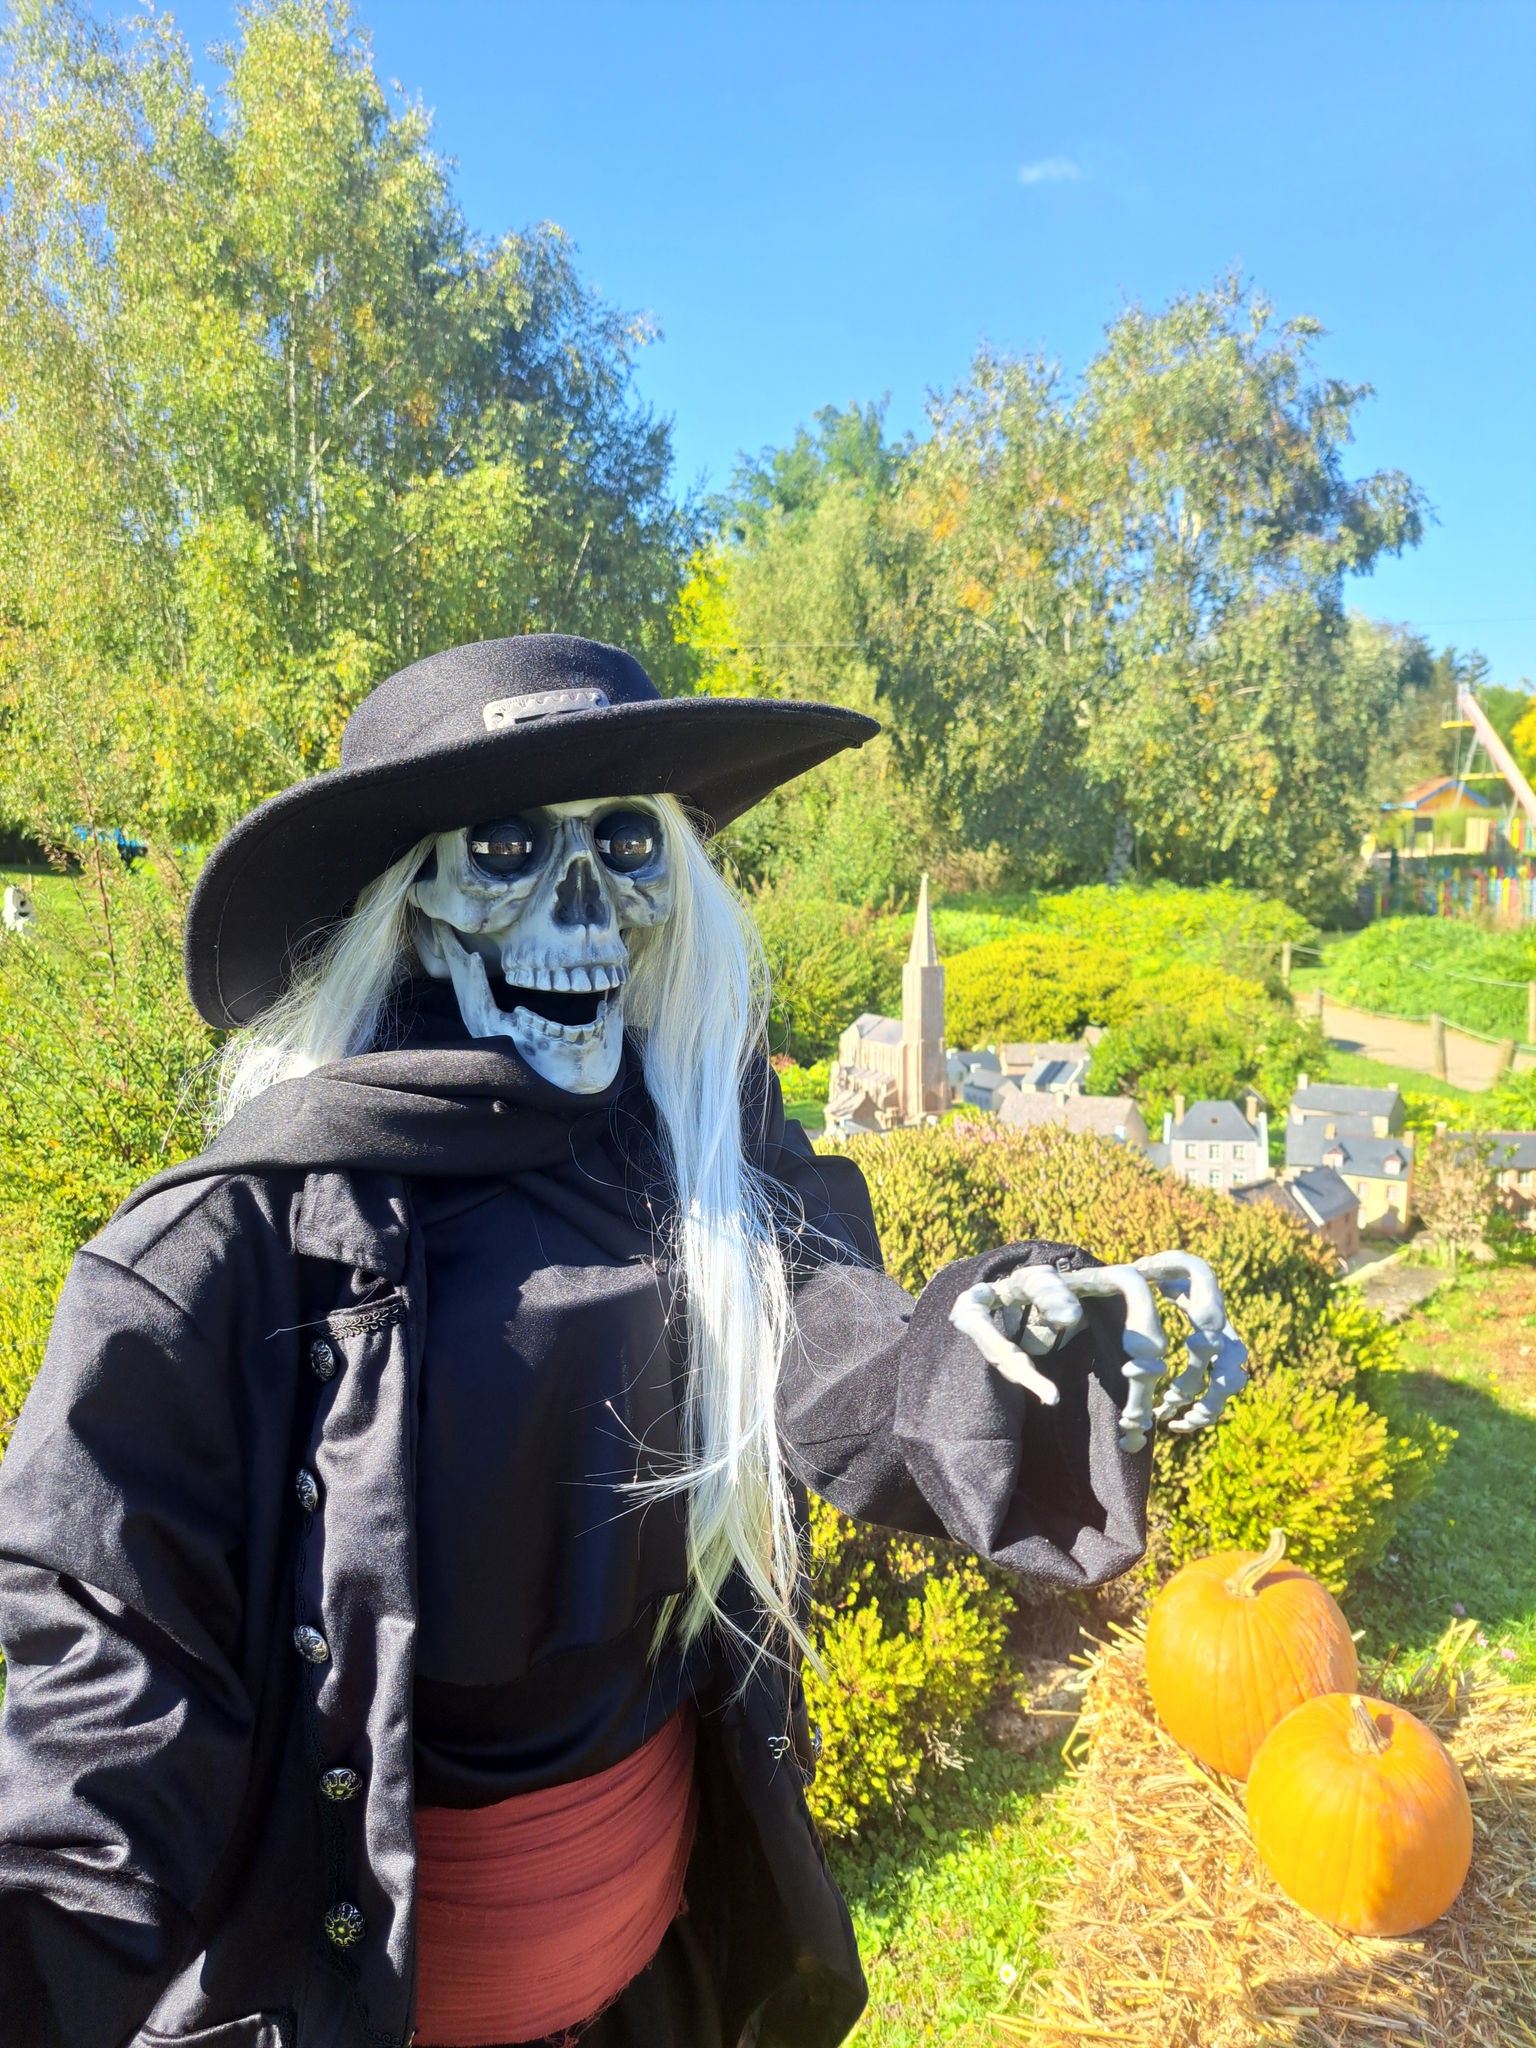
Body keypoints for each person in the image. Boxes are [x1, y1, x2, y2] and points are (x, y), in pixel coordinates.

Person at [0, 635, 1245, 2048]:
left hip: (655, 1984)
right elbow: (103, 1697)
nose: (583, 909)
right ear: (409, 908)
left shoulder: (700, 1153)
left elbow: (841, 1354)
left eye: (624, 849)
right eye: (512, 852)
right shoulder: (227, 1251)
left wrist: (1009, 1347)